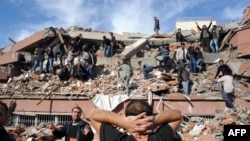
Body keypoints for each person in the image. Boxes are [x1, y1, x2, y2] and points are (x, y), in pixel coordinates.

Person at [90, 99, 182, 141]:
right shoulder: (160, 138)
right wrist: (154, 121)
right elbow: (177, 115)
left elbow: (94, 114)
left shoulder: (116, 138)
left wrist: (124, 122)